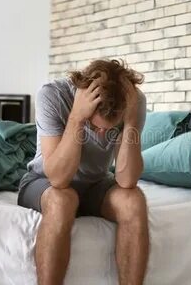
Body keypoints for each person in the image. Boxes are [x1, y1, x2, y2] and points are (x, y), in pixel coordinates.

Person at [17, 59, 149, 285]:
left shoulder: (134, 102)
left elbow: (126, 180)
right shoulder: (52, 95)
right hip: (45, 182)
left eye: (108, 130)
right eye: (95, 126)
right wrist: (77, 117)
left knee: (134, 200)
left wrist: (130, 122)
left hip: (95, 185)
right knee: (63, 199)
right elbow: (58, 178)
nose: (100, 134)